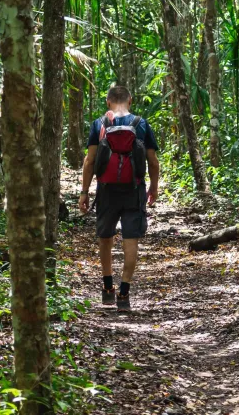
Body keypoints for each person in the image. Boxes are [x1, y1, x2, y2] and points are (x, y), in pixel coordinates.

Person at [78, 85, 159, 312]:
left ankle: (107, 289)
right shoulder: (141, 124)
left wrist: (84, 192)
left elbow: (89, 161)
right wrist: (153, 187)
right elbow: (152, 161)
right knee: (130, 239)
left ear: (108, 102)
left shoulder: (99, 124)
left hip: (106, 190)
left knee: (106, 237)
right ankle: (124, 293)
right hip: (134, 190)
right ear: (130, 101)